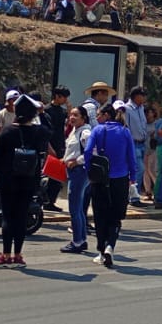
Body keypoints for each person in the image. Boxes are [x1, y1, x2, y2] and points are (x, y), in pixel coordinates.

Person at [0, 95, 53, 268]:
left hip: (8, 180)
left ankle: (5, 254)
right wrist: (42, 112)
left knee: (8, 217)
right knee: (22, 216)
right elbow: (49, 132)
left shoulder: (8, 131)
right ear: (33, 113)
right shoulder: (38, 132)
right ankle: (18, 255)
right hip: (29, 180)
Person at [84, 101, 137, 268]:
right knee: (115, 217)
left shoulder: (98, 130)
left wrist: (88, 169)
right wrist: (133, 177)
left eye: (99, 114)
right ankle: (110, 246)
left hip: (100, 179)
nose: (97, 117)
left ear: (106, 115)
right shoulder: (125, 131)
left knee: (100, 216)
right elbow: (131, 156)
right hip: (120, 179)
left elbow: (87, 151)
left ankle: (101, 250)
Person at [60, 105, 94, 253]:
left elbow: (92, 151)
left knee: (74, 208)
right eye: (71, 115)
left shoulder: (86, 132)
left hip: (79, 172)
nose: (72, 118)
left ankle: (77, 241)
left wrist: (77, 161)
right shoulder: (75, 130)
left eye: (76, 115)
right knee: (78, 207)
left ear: (83, 117)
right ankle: (81, 239)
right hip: (73, 171)